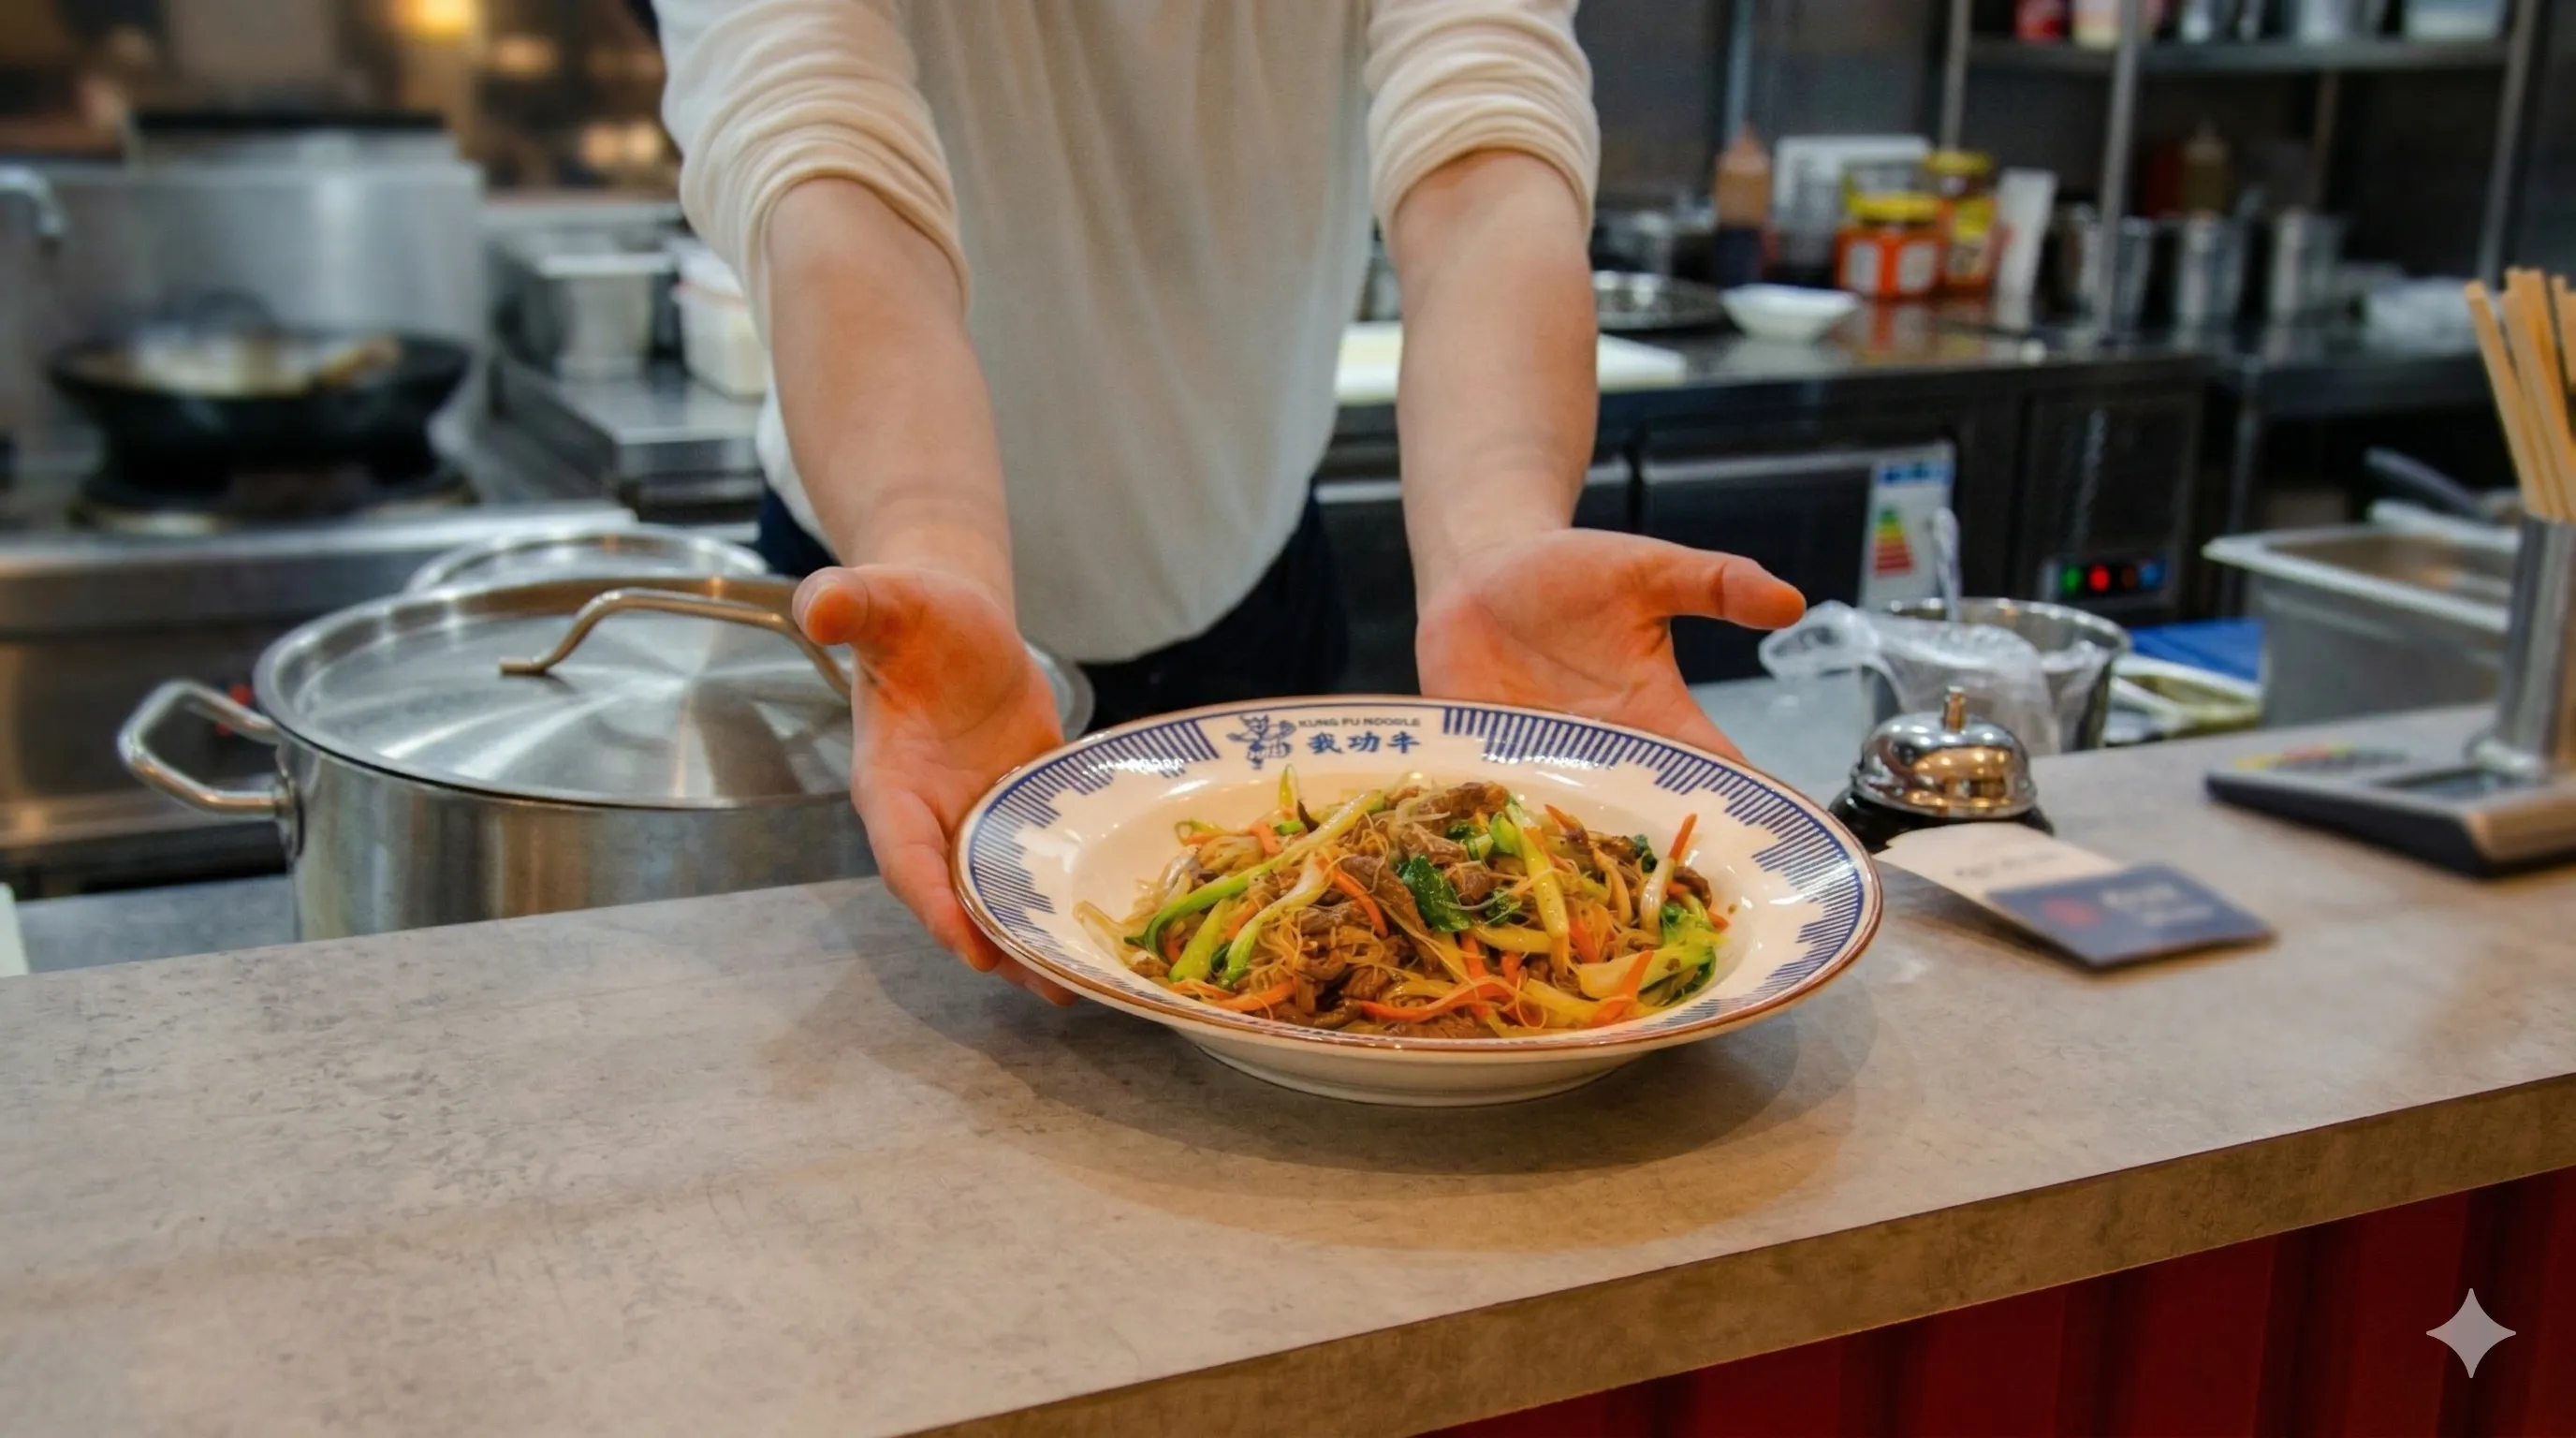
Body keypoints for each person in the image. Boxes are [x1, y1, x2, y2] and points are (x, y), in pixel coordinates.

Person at [653, 2, 1805, 1002]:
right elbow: (822, 165)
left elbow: (1484, 151)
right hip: (902, 639)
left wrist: (1496, 537)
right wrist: (932, 550)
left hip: (1239, 567)